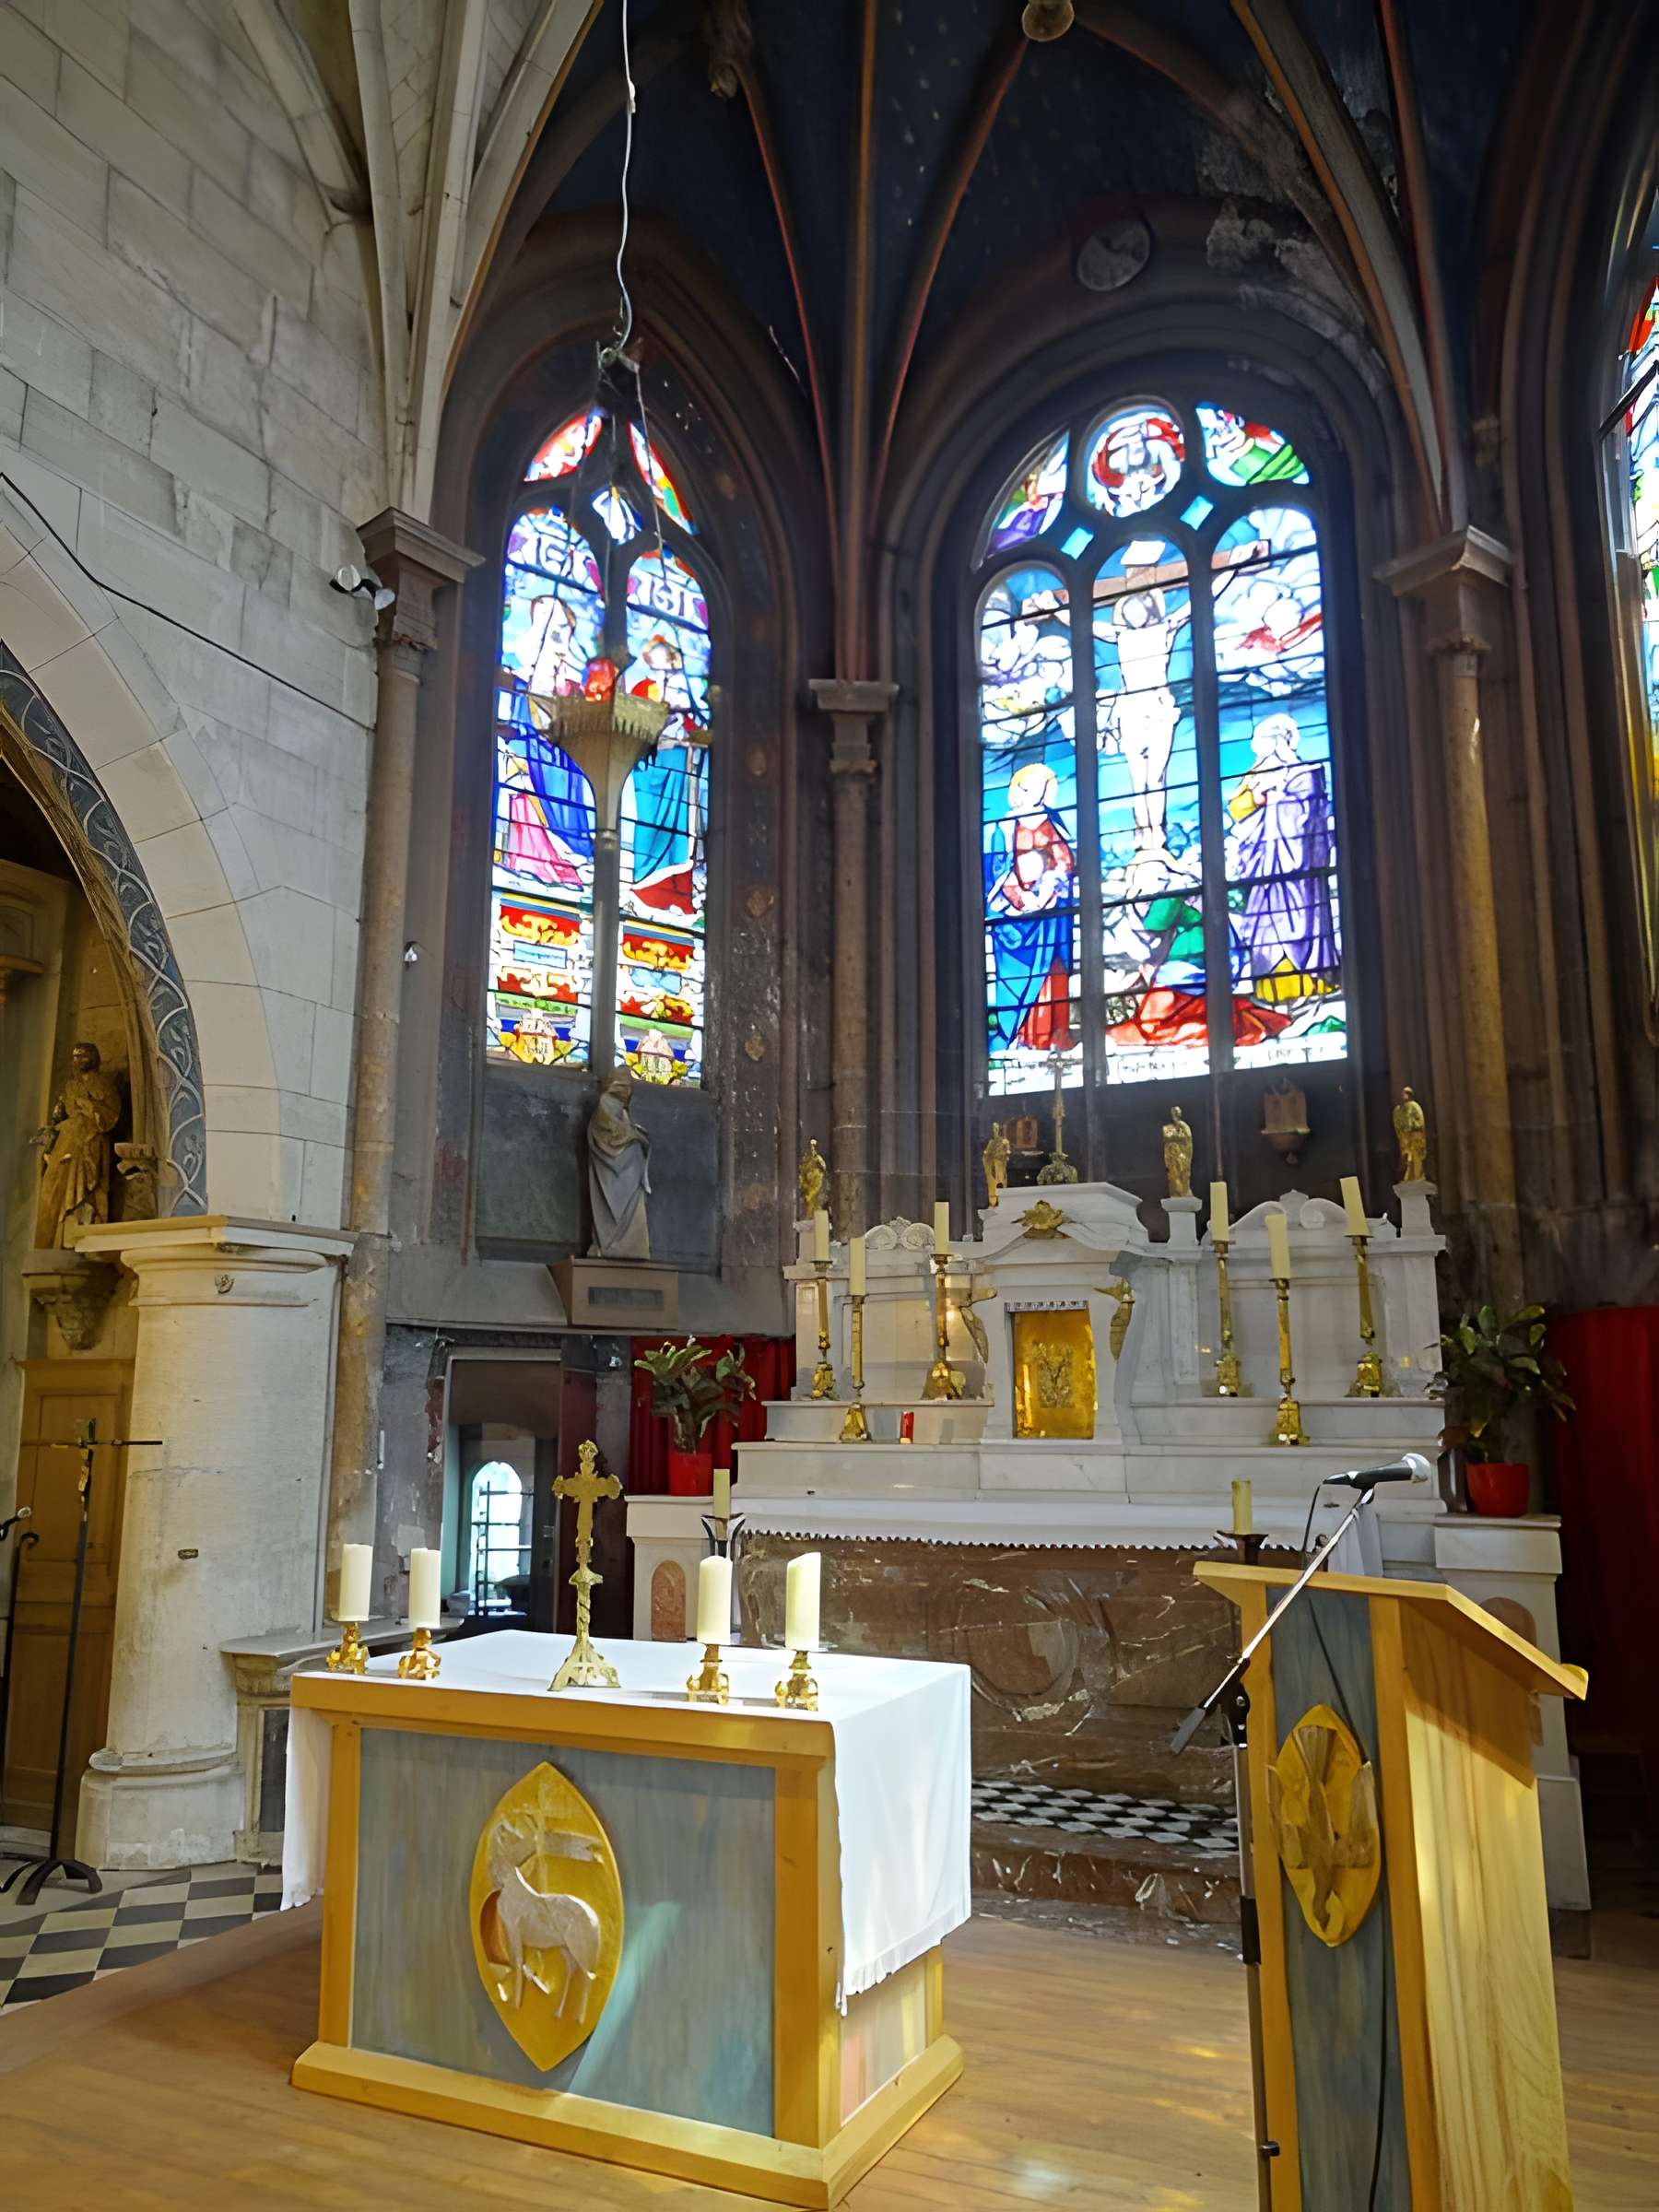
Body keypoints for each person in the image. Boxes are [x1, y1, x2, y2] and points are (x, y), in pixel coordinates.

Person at [34, 1041, 122, 1248]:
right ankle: (52, 1236)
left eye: (82, 1056)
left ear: (93, 1059)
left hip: (90, 1141)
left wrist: (89, 1106)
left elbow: (112, 1116)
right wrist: (49, 1131)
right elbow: (58, 1113)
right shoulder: (70, 1086)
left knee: (81, 1189)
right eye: (74, 1056)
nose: (77, 1060)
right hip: (66, 1138)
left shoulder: (104, 1084)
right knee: (51, 1184)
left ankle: (78, 1223)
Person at [587, 1070, 652, 1259]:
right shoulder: (605, 1105)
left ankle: (629, 1246)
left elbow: (624, 1132)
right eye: (623, 1086)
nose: (627, 1091)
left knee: (632, 1210)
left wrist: (637, 1137)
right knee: (610, 1209)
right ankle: (608, 1244)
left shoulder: (622, 1110)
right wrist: (634, 1136)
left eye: (629, 1087)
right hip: (613, 1172)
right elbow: (608, 1138)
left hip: (630, 1173)